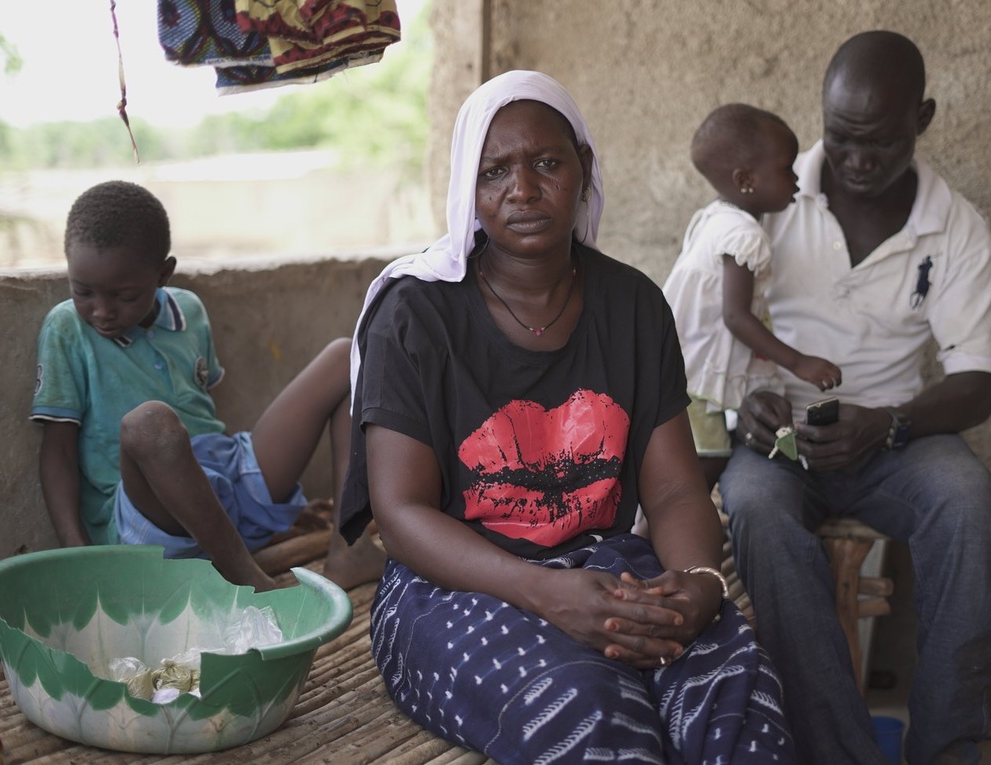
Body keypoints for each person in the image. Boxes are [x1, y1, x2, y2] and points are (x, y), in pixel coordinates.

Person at [338, 70, 797, 763]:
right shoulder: (418, 315)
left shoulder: (634, 306)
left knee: (737, 690)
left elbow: (674, 489)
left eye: (547, 163)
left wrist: (700, 585)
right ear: (469, 185)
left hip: (606, 567)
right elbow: (399, 514)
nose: (522, 190)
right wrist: (544, 592)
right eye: (495, 171)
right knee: (585, 708)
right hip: (454, 586)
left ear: (583, 169)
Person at [717, 31, 991, 765]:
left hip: (895, 436)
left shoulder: (956, 229)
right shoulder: (767, 196)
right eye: (840, 137)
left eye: (878, 143)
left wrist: (887, 425)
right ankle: (836, 752)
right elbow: (705, 323)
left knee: (970, 501)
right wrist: (741, 405)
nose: (854, 160)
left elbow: (976, 383)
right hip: (782, 437)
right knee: (753, 507)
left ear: (924, 117)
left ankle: (945, 748)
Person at [31, 180, 385, 591]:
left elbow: (202, 413)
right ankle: (247, 578)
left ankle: (349, 547)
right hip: (147, 518)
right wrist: (77, 551)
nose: (102, 310)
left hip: (223, 487)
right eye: (83, 291)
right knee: (149, 423)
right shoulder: (66, 328)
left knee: (345, 356)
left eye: (124, 295)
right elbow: (56, 452)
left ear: (163, 274)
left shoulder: (190, 311)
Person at [663, 104, 842, 489]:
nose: (796, 179)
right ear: (745, 179)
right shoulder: (745, 236)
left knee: (686, 480)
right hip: (696, 377)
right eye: (786, 169)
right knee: (697, 480)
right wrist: (800, 362)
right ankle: (653, 546)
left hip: (680, 366)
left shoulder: (715, 218)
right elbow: (736, 316)